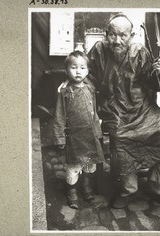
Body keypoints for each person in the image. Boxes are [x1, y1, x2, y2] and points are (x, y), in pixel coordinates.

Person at [86, 13, 160, 209]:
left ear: (131, 35)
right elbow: (88, 76)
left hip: (143, 109)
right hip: (114, 109)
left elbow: (155, 84)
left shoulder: (139, 51)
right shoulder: (99, 50)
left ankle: (155, 184)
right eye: (113, 35)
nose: (117, 41)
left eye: (123, 36)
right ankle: (128, 189)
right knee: (122, 141)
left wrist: (157, 73)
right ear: (106, 34)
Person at [53, 51, 104, 209]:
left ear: (87, 71)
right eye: (73, 67)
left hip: (90, 137)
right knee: (73, 167)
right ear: (67, 71)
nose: (78, 71)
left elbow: (93, 112)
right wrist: (60, 138)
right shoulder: (65, 92)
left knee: (89, 165)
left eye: (82, 67)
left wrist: (98, 132)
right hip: (74, 138)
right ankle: (72, 191)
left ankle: (86, 187)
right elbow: (59, 116)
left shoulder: (90, 88)